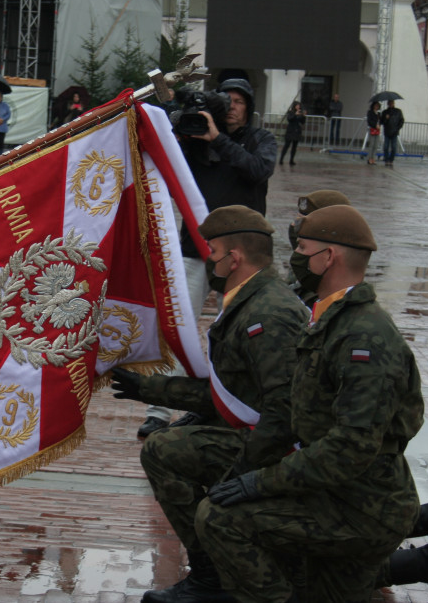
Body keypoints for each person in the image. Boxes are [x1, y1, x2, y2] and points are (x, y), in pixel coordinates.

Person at [195, 205, 427, 603]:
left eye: (303, 248)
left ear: (329, 257)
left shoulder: (364, 337)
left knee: (220, 519)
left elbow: (350, 447)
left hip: (361, 506)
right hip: (338, 493)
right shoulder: (332, 318)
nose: (295, 258)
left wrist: (259, 482)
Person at [111, 205, 309, 603]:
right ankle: (213, 568)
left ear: (234, 258)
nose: (210, 261)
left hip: (283, 451)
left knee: (165, 450)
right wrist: (146, 389)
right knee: (173, 439)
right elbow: (229, 394)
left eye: (214, 253)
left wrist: (240, 476)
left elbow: (283, 414)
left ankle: (212, 573)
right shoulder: (249, 299)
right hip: (260, 435)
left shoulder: (268, 313)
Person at [136, 77, 278, 438]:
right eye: (224, 100)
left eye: (238, 101)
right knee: (177, 327)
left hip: (245, 256)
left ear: (249, 106)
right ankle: (159, 409)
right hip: (197, 247)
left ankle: (222, 409)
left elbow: (257, 170)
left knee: (234, 333)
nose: (231, 106)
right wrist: (178, 129)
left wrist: (218, 139)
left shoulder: (260, 139)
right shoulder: (194, 141)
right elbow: (162, 168)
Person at [286, 189, 351, 306]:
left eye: (302, 223)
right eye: (296, 221)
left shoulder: (335, 295)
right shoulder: (304, 267)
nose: (293, 226)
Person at [379, 99, 405, 167]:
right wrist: (386, 118)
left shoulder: (398, 111)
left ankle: (391, 160)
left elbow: (401, 120)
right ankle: (386, 159)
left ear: (394, 103)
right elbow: (382, 122)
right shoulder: (385, 112)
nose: (391, 104)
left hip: (395, 132)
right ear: (388, 104)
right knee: (385, 147)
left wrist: (398, 128)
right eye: (389, 103)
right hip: (387, 132)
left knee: (394, 148)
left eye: (392, 103)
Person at [278, 102, 305, 166]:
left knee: (294, 146)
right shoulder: (291, 112)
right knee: (286, 146)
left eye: (299, 105)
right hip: (290, 130)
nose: (298, 107)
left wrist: (303, 116)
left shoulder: (300, 112)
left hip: (297, 130)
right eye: (297, 105)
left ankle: (291, 160)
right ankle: (281, 159)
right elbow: (289, 119)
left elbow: (303, 122)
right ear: (294, 106)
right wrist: (295, 114)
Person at [366, 101, 382, 165]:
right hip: (372, 129)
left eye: (378, 106)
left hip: (377, 130)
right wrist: (375, 125)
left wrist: (379, 124)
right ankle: (369, 158)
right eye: (375, 105)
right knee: (371, 145)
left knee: (375, 145)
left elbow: (380, 121)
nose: (376, 107)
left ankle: (373, 158)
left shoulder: (379, 113)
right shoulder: (370, 112)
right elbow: (369, 121)